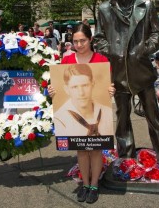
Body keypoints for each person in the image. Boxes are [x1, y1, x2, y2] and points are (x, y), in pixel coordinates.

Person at [93, 0, 159, 178]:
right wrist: (111, 51)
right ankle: (126, 160)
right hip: (118, 73)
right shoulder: (104, 9)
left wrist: (144, 49)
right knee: (122, 120)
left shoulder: (146, 6)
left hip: (142, 72)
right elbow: (98, 38)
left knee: (154, 119)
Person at [48, 24, 115, 204]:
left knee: (95, 150)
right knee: (81, 150)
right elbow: (60, 88)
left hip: (96, 111)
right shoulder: (67, 60)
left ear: (90, 39)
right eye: (75, 41)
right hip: (75, 115)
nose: (79, 44)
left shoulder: (101, 60)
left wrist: (110, 90)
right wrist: (53, 91)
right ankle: (85, 184)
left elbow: (106, 85)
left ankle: (94, 185)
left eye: (82, 40)